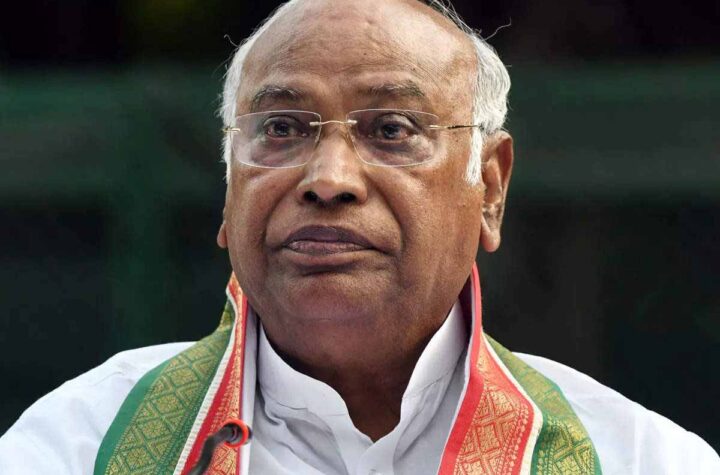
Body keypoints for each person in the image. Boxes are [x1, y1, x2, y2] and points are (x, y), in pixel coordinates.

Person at [1, 0, 718, 473]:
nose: (329, 178)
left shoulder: (636, 459)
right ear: (229, 188)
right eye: (282, 128)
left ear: (490, 190)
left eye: (392, 130)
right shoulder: (81, 444)